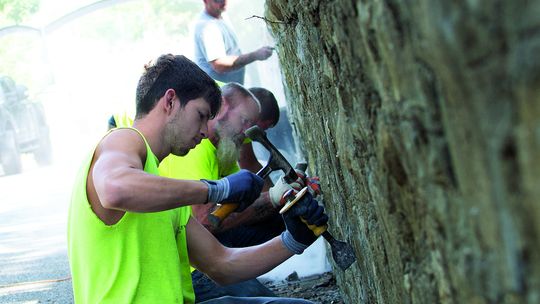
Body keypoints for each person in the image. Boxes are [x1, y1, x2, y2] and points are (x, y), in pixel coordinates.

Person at [67, 54, 327, 304]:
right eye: (201, 115)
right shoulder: (123, 140)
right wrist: (216, 189)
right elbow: (114, 189)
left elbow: (221, 264)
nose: (204, 131)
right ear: (170, 101)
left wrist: (294, 240)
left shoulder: (163, 187)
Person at [158, 83, 321, 302]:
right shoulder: (194, 151)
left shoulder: (224, 147)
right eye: (244, 121)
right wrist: (274, 197)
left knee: (281, 218)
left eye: (251, 124)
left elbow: (247, 195)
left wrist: (286, 195)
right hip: (190, 267)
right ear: (223, 106)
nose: (246, 132)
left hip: (209, 246)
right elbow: (206, 221)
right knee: (261, 297)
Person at [193, 0, 273, 84]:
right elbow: (219, 65)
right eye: (217, 0)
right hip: (220, 92)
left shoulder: (220, 13)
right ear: (205, 1)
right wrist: (255, 55)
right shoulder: (208, 27)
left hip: (231, 86)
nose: (223, 2)